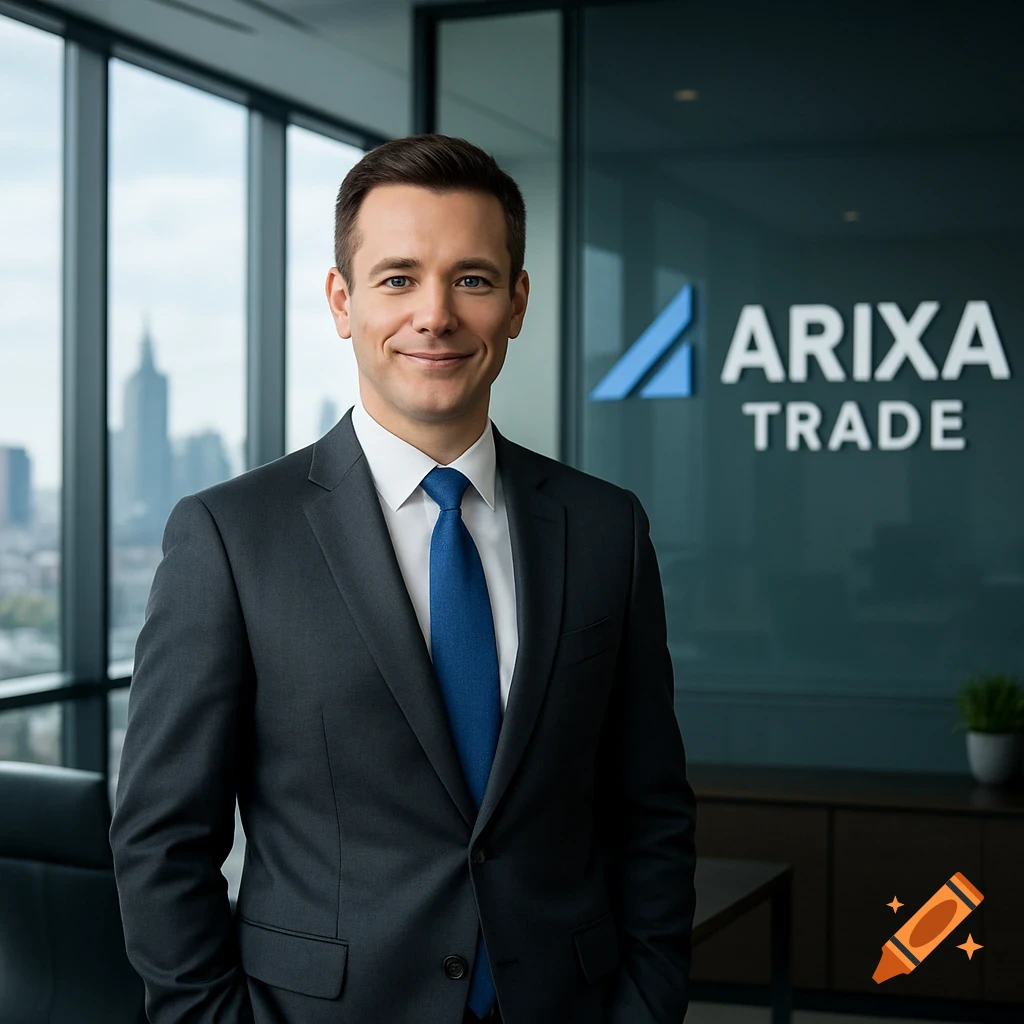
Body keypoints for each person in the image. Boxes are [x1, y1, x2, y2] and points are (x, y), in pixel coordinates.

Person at [109, 132, 697, 1024]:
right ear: (342, 302)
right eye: (397, 279)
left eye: (471, 278)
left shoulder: (606, 527)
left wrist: (646, 1006)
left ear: (517, 302)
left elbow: (650, 809)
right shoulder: (231, 537)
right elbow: (161, 840)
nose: (435, 315)